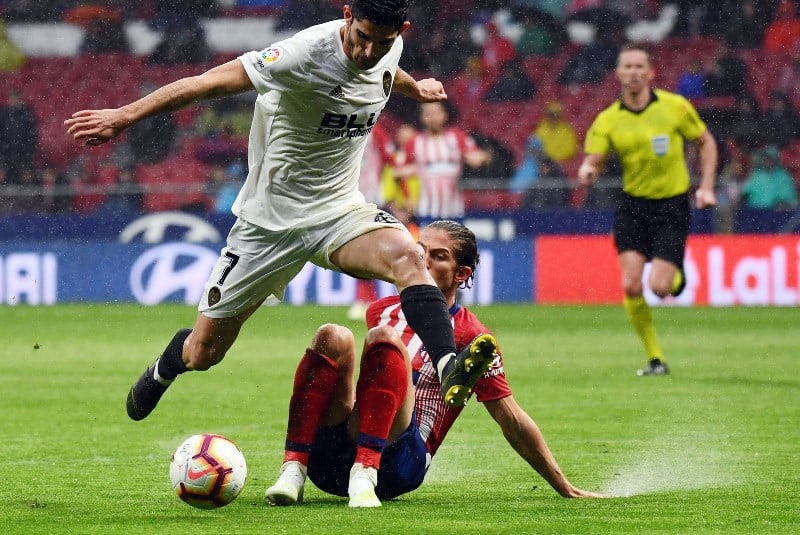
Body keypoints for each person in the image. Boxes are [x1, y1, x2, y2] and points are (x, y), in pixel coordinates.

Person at [64, 0, 491, 420]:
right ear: (347, 17)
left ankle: (446, 366)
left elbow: (383, 72)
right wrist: (124, 115)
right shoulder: (303, 54)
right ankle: (166, 365)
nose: (367, 51)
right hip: (268, 224)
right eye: (361, 37)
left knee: (409, 255)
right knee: (204, 352)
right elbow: (207, 83)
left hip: (338, 211)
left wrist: (414, 88)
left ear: (400, 32)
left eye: (381, 42)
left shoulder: (387, 49)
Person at [265, 220, 607, 507]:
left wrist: (564, 485)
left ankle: (366, 471)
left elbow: (512, 420)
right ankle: (294, 468)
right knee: (332, 335)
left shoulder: (474, 338)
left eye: (438, 256)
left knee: (384, 339)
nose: (422, 261)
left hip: (399, 464)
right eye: (419, 250)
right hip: (336, 460)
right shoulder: (382, 309)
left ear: (462, 273)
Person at [577, 44, 718, 376]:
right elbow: (593, 160)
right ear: (619, 74)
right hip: (633, 206)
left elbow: (706, 142)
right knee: (630, 285)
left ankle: (676, 275)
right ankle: (656, 358)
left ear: (651, 72)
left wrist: (707, 185)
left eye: (640, 66)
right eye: (628, 66)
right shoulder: (608, 120)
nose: (634, 72)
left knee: (660, 287)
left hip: (671, 204)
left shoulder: (675, 108)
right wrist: (587, 171)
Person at [404, 100, 480, 220]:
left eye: (436, 113)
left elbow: (477, 157)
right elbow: (398, 171)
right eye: (428, 114)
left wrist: (479, 158)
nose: (433, 117)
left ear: (445, 115)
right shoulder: (414, 142)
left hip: (454, 209)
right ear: (422, 117)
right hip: (425, 209)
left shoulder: (457, 137)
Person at [740, 144, 798, 210]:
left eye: (770, 159)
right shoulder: (756, 175)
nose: (767, 161)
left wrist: (783, 203)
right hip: (757, 211)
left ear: (775, 160)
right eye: (765, 159)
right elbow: (745, 191)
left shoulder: (783, 176)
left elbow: (790, 197)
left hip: (777, 213)